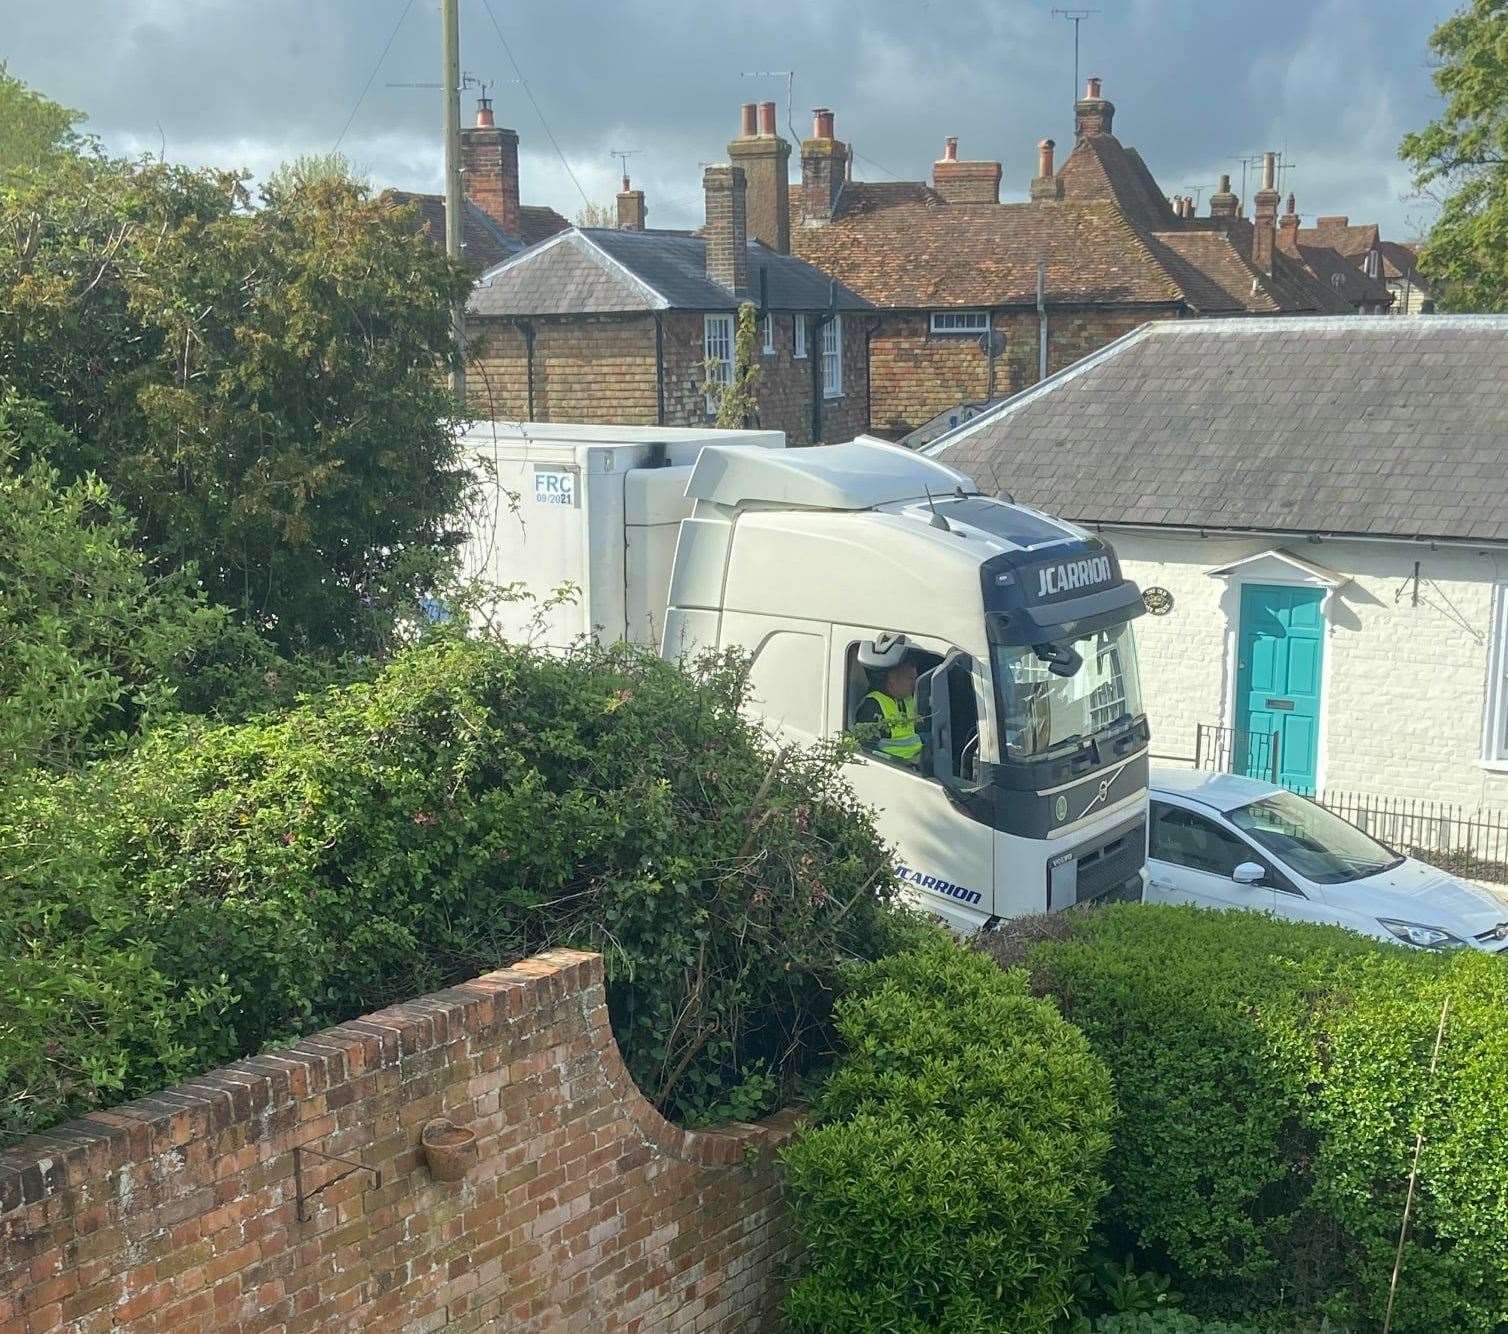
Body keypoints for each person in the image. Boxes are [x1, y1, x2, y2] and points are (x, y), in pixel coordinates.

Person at [855, 634, 922, 766]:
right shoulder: (872, 705)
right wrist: (903, 764)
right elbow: (868, 751)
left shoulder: (906, 699)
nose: (914, 684)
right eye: (910, 679)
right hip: (898, 768)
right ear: (892, 678)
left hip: (917, 763)